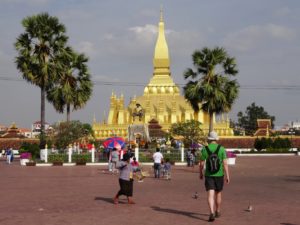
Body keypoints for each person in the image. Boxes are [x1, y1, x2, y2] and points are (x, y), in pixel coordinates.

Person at [199, 131, 230, 222]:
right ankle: (218, 211)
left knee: (210, 195)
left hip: (209, 175)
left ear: (209, 139)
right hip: (219, 174)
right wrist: (227, 175)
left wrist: (200, 173)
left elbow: (201, 164)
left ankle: (211, 212)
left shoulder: (205, 149)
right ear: (216, 139)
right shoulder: (221, 149)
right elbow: (225, 164)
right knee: (218, 194)